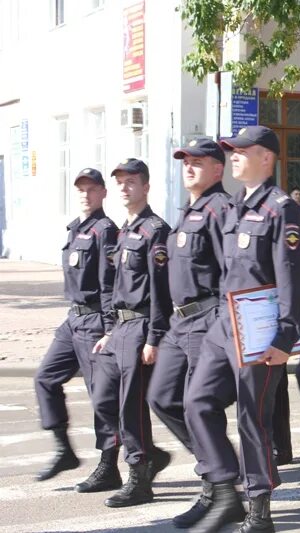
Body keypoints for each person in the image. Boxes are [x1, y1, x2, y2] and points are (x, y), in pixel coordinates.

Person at [183, 125, 300, 532]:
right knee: (196, 401)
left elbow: (291, 276)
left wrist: (285, 338)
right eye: (231, 151)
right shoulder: (234, 206)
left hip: (260, 329)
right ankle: (223, 485)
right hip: (225, 322)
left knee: (251, 418)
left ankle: (259, 508)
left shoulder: (281, 208)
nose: (233, 156)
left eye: (241, 151)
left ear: (267, 159)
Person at [144, 139, 230, 527]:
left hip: (208, 317)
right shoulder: (187, 213)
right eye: (186, 162)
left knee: (202, 404)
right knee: (162, 397)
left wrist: (224, 326)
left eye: (199, 162)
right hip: (180, 322)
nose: (190, 168)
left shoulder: (221, 210)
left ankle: (221, 491)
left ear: (218, 169)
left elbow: (232, 272)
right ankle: (218, 472)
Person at [33, 168, 121, 492]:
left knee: (102, 398)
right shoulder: (75, 229)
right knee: (45, 377)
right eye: (81, 188)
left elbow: (109, 285)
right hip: (73, 320)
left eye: (92, 188)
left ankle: (109, 466)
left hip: (96, 321)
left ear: (103, 193)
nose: (86, 194)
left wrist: (110, 328)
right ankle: (64, 449)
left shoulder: (106, 232)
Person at [97, 158, 173, 507]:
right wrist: (109, 329)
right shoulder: (124, 231)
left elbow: (161, 289)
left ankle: (139, 477)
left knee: (132, 407)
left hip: (142, 325)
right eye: (121, 182)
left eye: (131, 182)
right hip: (121, 327)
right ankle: (149, 454)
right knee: (105, 398)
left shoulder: (155, 229)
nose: (125, 188)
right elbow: (115, 286)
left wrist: (155, 337)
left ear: (145, 187)